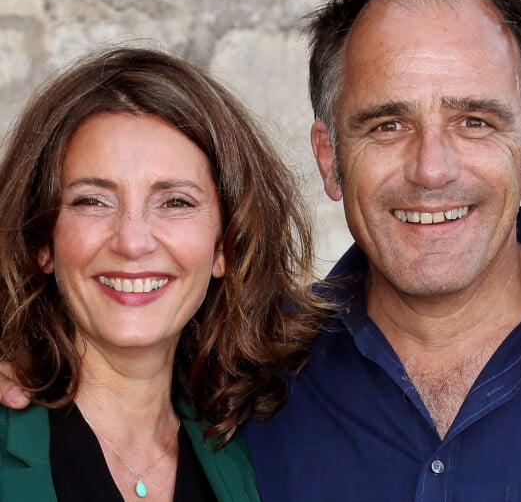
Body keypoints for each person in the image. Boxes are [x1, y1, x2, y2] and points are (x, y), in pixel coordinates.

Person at [238, 0, 521, 501]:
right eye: (388, 125)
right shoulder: (248, 369)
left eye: (474, 121)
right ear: (330, 160)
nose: (430, 169)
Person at [0, 46, 328, 501]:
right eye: (92, 201)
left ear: (224, 247)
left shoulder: (249, 455)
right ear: (42, 244)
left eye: (175, 202)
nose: (132, 242)